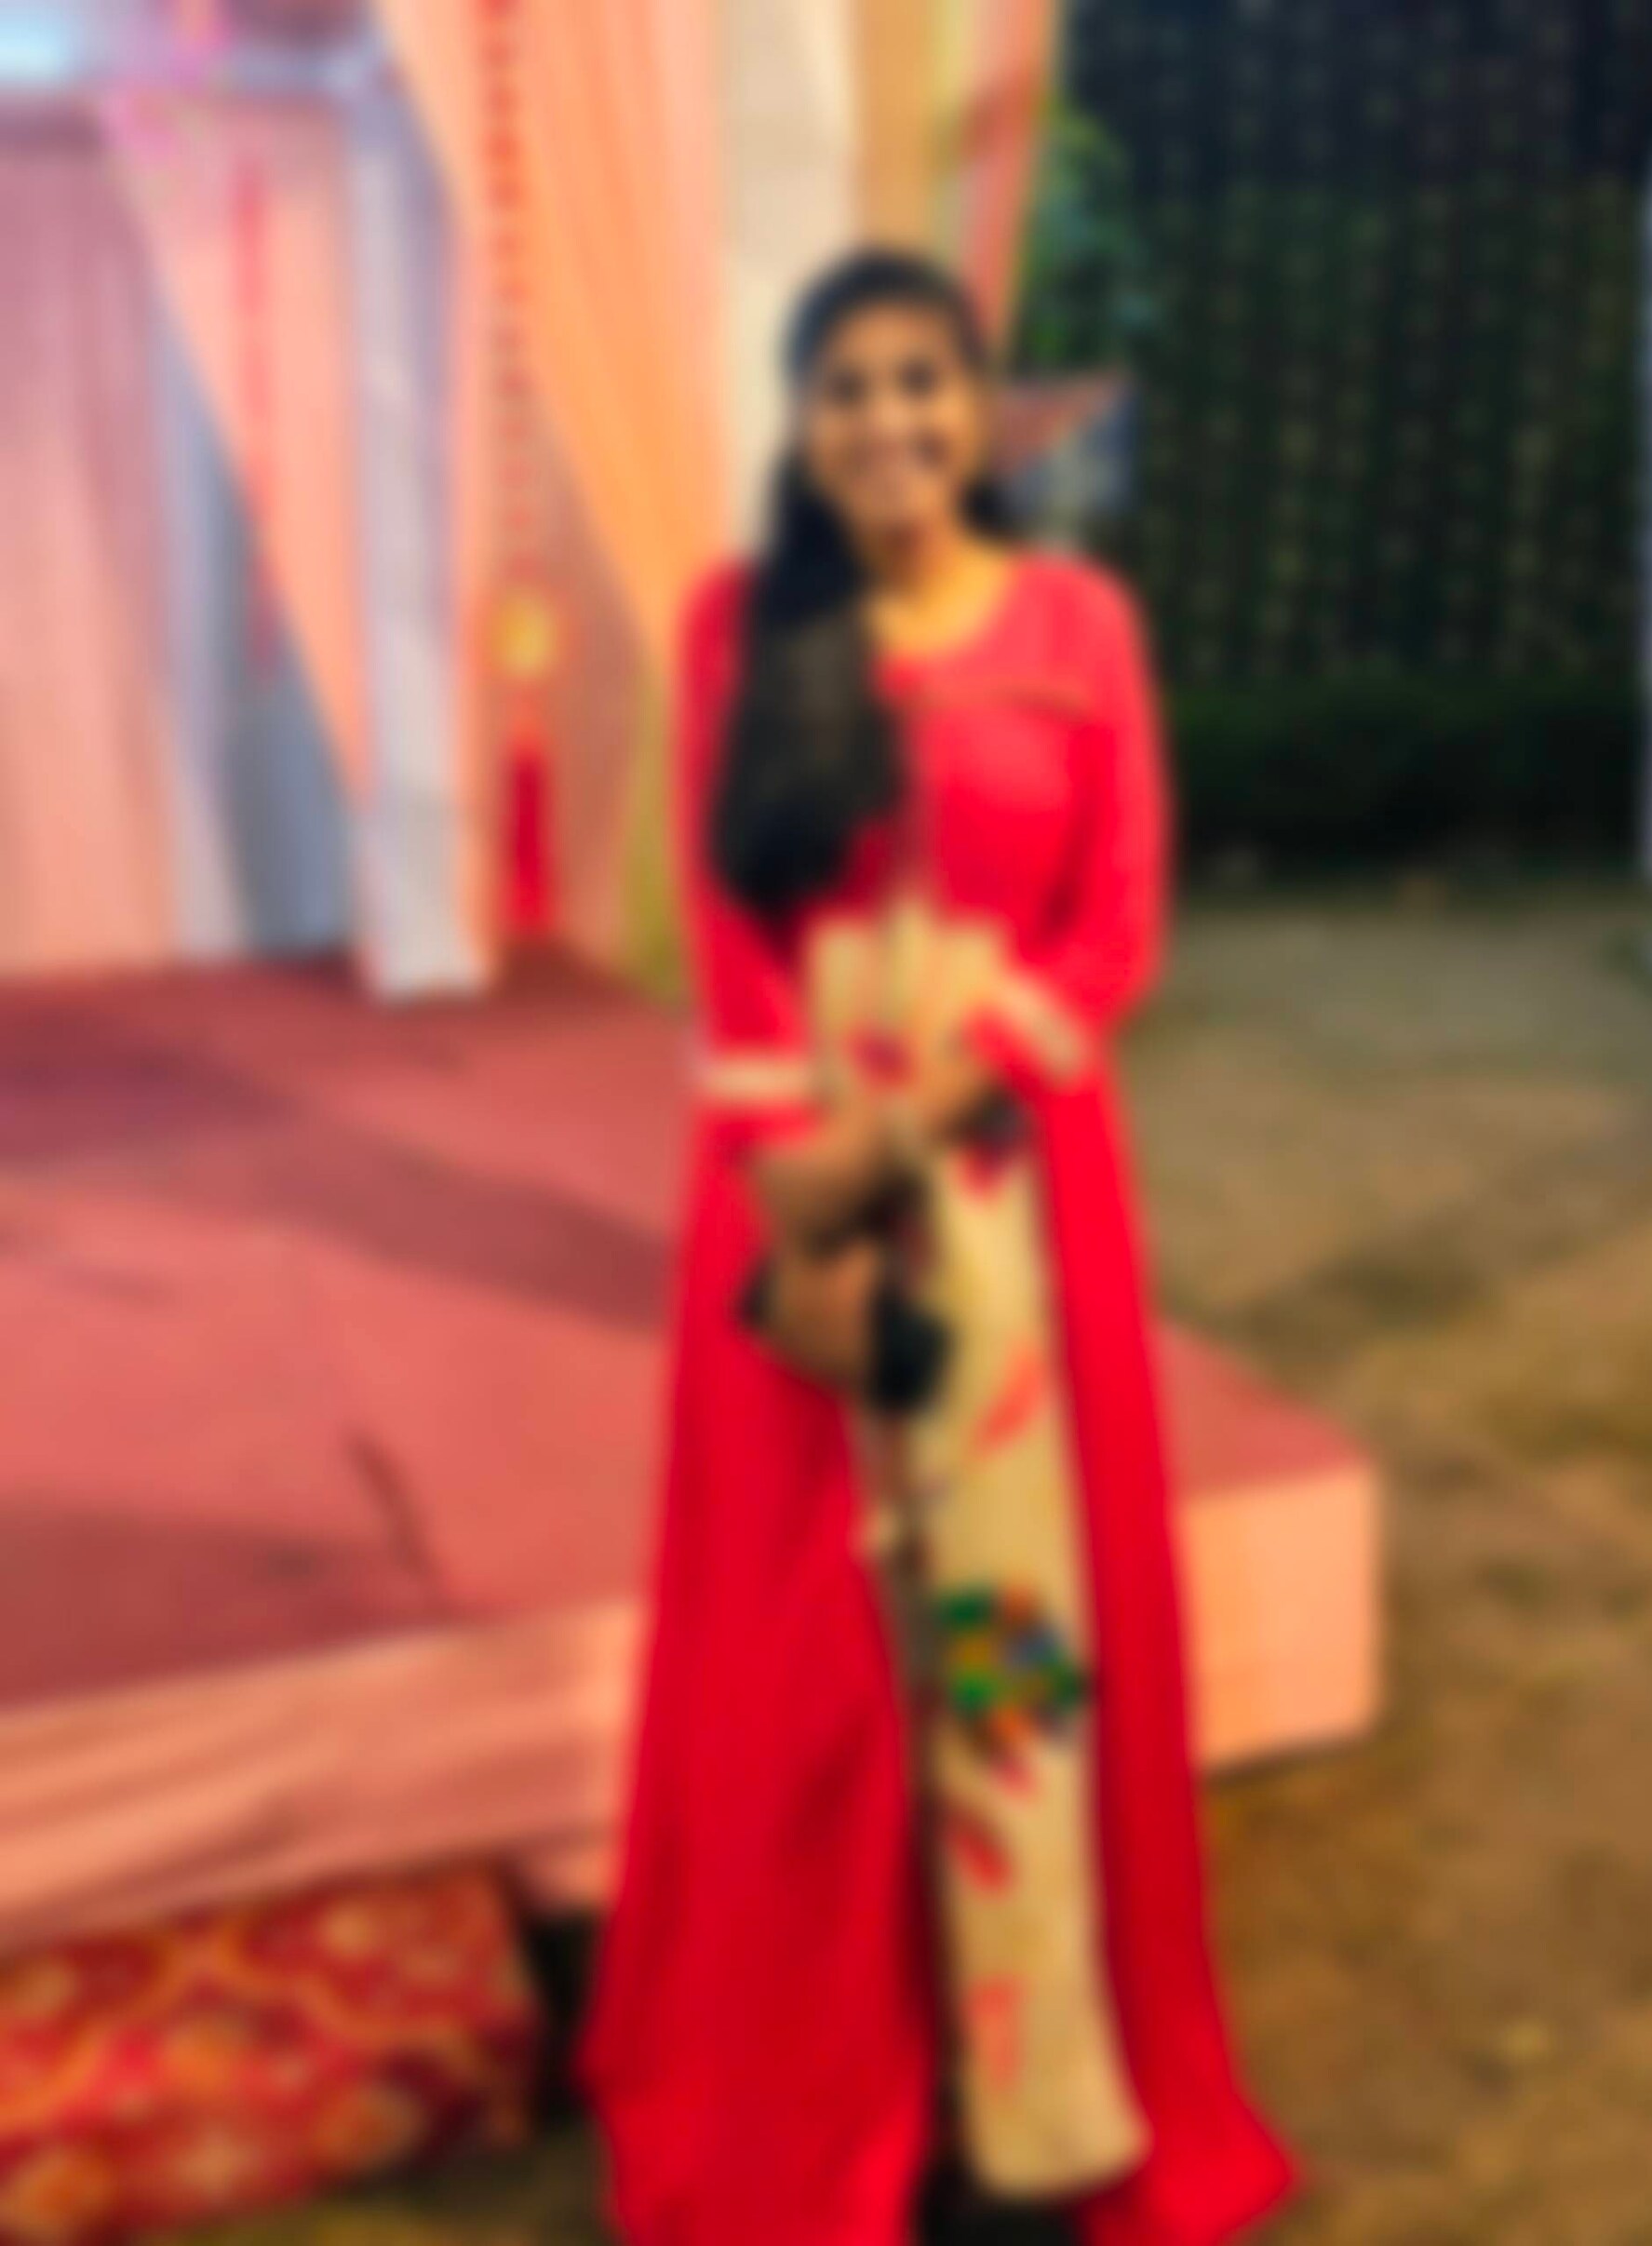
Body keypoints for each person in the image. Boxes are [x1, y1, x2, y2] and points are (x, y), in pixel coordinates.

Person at [580, 248, 1296, 2246]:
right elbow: (729, 930)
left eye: (923, 383)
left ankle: (1032, 2094)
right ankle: (836, 2099)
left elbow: (1116, 923)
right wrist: (793, 1206)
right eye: (847, 389)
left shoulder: (1078, 623)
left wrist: (901, 1129)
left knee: (1008, 1642)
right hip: (787, 1189)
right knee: (815, 1651)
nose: (888, 422)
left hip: (1012, 1207)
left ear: (981, 411)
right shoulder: (743, 625)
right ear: (802, 426)